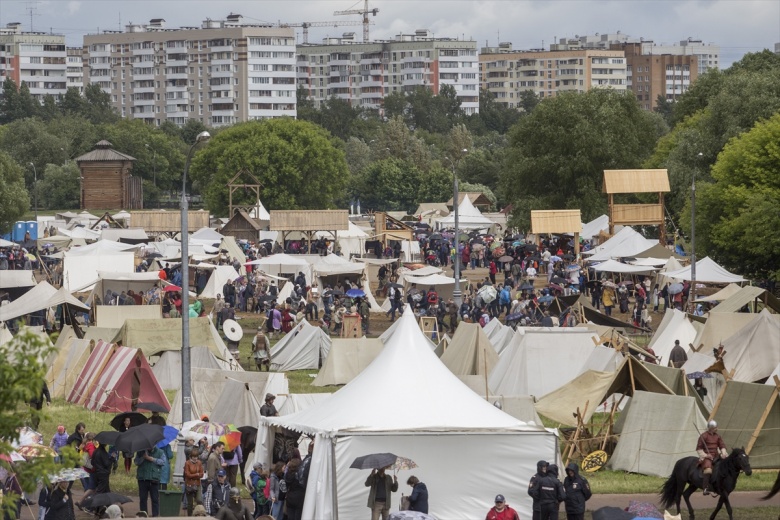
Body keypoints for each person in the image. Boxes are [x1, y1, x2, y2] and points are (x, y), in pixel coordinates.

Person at [696, 420, 728, 495]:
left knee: (726, 465)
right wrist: (706, 455)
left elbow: (722, 446)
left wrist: (723, 453)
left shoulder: (717, 436)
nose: (717, 429)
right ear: (711, 428)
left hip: (716, 455)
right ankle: (705, 488)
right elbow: (699, 449)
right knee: (708, 470)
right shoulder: (703, 436)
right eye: (715, 427)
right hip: (707, 457)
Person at [135, 446, 165, 517]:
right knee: (142, 499)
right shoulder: (140, 452)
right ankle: (143, 516)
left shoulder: (160, 452)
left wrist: (152, 459)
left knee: (155, 499)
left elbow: (163, 462)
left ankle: (155, 516)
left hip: (154, 479)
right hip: (143, 478)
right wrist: (143, 457)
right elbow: (136, 462)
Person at [184, 448, 204, 516]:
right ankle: (189, 516)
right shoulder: (187, 463)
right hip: (189, 484)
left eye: (196, 457)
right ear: (191, 457)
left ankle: (198, 514)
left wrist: (194, 475)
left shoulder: (199, 462)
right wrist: (196, 474)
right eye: (194, 457)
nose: (195, 458)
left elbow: (202, 474)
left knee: (199, 500)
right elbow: (187, 474)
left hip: (197, 484)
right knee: (190, 503)